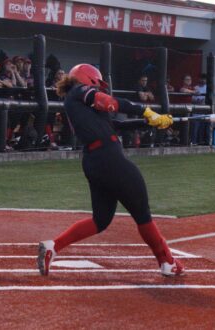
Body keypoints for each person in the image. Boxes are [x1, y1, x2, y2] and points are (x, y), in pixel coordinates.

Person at [37, 64, 184, 277]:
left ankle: (53, 246)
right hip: (109, 159)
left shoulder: (79, 104)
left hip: (94, 161)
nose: (100, 89)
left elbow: (114, 125)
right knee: (142, 212)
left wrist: (150, 122)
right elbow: (111, 103)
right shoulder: (79, 91)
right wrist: (146, 110)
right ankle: (167, 262)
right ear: (89, 79)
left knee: (101, 220)